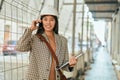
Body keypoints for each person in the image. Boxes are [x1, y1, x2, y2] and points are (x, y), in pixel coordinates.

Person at [16, 5, 77, 80]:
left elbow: (64, 65)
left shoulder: (63, 40)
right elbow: (20, 47)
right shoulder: (34, 38)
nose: (48, 23)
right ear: (41, 21)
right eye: (45, 19)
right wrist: (31, 29)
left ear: (55, 22)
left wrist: (71, 65)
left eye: (52, 20)